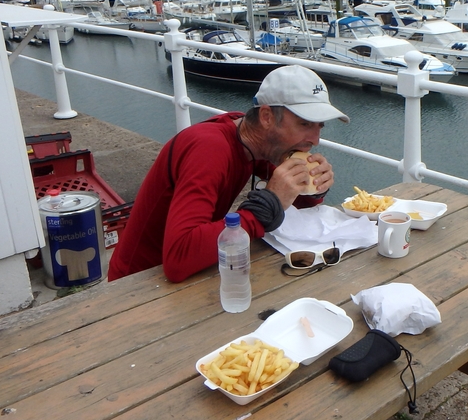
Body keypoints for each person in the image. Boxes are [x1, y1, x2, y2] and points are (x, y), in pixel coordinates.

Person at [108, 65, 348, 283]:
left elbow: (290, 199)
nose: (315, 140)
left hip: (195, 271)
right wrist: (265, 209)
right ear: (266, 117)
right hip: (140, 281)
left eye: (320, 127)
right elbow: (178, 258)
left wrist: (313, 187)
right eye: (305, 124)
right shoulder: (209, 149)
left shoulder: (253, 139)